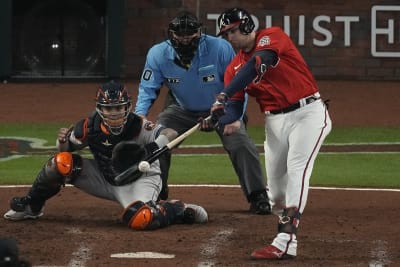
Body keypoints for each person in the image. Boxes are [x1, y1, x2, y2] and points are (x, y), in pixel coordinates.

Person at [211, 7, 332, 259]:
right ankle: (286, 227)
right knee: (276, 194)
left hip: (308, 113)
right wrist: (218, 117)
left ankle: (286, 240)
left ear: (246, 26)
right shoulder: (232, 68)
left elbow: (257, 64)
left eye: (233, 30)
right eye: (226, 33)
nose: (230, 37)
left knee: (297, 170)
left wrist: (223, 94)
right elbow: (233, 107)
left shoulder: (271, 36)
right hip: (274, 122)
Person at [3, 81, 208, 230]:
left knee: (140, 218)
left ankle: (177, 209)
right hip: (104, 178)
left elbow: (170, 133)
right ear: (100, 109)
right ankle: (32, 206)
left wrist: (152, 147)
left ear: (127, 107)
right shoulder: (88, 127)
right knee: (61, 163)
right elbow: (65, 150)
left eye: (119, 108)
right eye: (109, 108)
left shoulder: (139, 125)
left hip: (140, 180)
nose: (114, 113)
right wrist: (63, 141)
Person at [134, 11, 271, 215]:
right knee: (158, 141)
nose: (185, 39)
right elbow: (148, 88)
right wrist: (140, 114)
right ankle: (156, 193)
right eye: (180, 36)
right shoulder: (158, 54)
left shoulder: (220, 48)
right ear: (171, 35)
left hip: (221, 106)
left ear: (200, 33)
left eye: (191, 35)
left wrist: (235, 117)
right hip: (181, 109)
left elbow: (238, 83)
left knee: (240, 142)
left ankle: (258, 195)